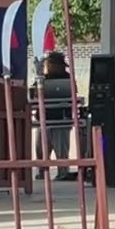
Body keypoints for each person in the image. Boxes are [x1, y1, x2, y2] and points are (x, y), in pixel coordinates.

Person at [36, 52, 76, 182]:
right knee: (41, 148)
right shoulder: (43, 79)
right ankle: (42, 172)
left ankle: (63, 172)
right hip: (44, 117)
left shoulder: (68, 79)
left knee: (61, 148)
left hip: (62, 117)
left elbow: (73, 94)